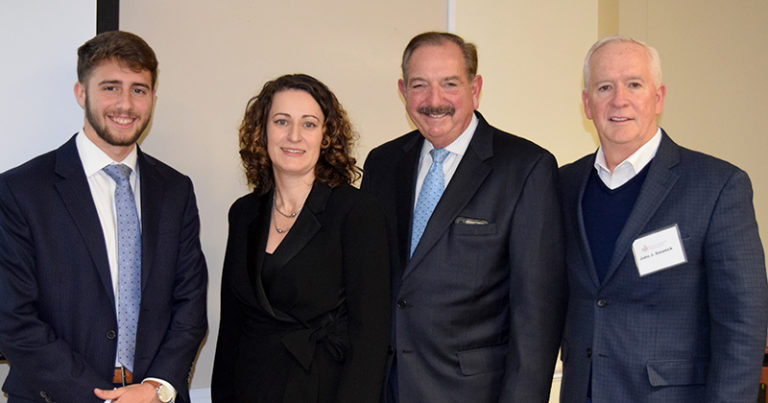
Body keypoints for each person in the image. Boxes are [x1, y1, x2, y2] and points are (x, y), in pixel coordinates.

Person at [0, 31, 208, 403]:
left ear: (153, 98)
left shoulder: (176, 190)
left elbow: (189, 303)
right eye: (111, 87)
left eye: (139, 90)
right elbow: (12, 317)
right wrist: (98, 398)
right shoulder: (20, 191)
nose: (125, 104)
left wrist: (156, 387)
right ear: (82, 93)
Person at [559, 35, 768, 403]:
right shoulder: (562, 185)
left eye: (634, 84)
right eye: (604, 87)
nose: (619, 99)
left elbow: (743, 325)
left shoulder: (718, 186)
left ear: (658, 98)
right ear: (587, 104)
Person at [361, 31, 566, 403]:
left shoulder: (525, 168)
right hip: (388, 389)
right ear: (403, 91)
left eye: (449, 84)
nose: (434, 100)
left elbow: (537, 315)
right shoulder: (382, 164)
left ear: (476, 87)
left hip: (475, 393)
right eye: (419, 85)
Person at [211, 74, 390, 403]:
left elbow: (371, 336)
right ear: (262, 131)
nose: (294, 136)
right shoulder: (244, 213)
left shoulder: (355, 211)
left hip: (323, 387)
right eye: (281, 121)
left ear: (326, 136)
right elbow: (231, 325)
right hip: (252, 386)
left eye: (309, 124)